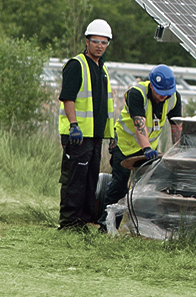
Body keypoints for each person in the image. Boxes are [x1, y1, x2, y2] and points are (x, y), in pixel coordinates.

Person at [102, 64, 183, 218]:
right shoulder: (137, 94)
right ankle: (106, 223)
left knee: (148, 188)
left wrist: (179, 151)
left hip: (149, 149)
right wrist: (146, 148)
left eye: (167, 93)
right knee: (119, 185)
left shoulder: (173, 98)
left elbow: (176, 127)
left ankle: (142, 224)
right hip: (125, 145)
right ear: (151, 86)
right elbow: (139, 125)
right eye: (160, 93)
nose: (164, 97)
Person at [58, 19, 116, 231]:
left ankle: (82, 221)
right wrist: (74, 125)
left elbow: (104, 105)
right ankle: (69, 222)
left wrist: (111, 135)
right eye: (96, 41)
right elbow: (68, 98)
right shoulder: (77, 65)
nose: (100, 46)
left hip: (95, 135)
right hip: (78, 134)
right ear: (87, 41)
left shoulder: (102, 69)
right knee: (75, 179)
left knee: (90, 180)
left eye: (104, 42)